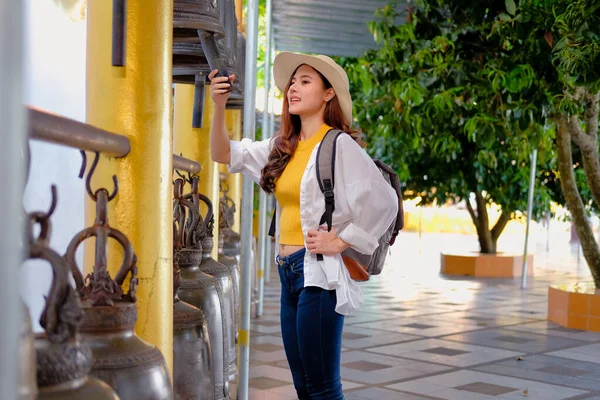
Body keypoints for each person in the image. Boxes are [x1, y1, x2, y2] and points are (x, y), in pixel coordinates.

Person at [208, 53, 398, 400]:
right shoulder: (284, 147)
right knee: (303, 386)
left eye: (305, 81)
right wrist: (219, 105)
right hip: (288, 273)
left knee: (323, 387)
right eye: (292, 83)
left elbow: (384, 201)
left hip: (319, 276)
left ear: (328, 94)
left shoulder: (338, 144)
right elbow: (223, 153)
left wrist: (341, 241)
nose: (293, 88)